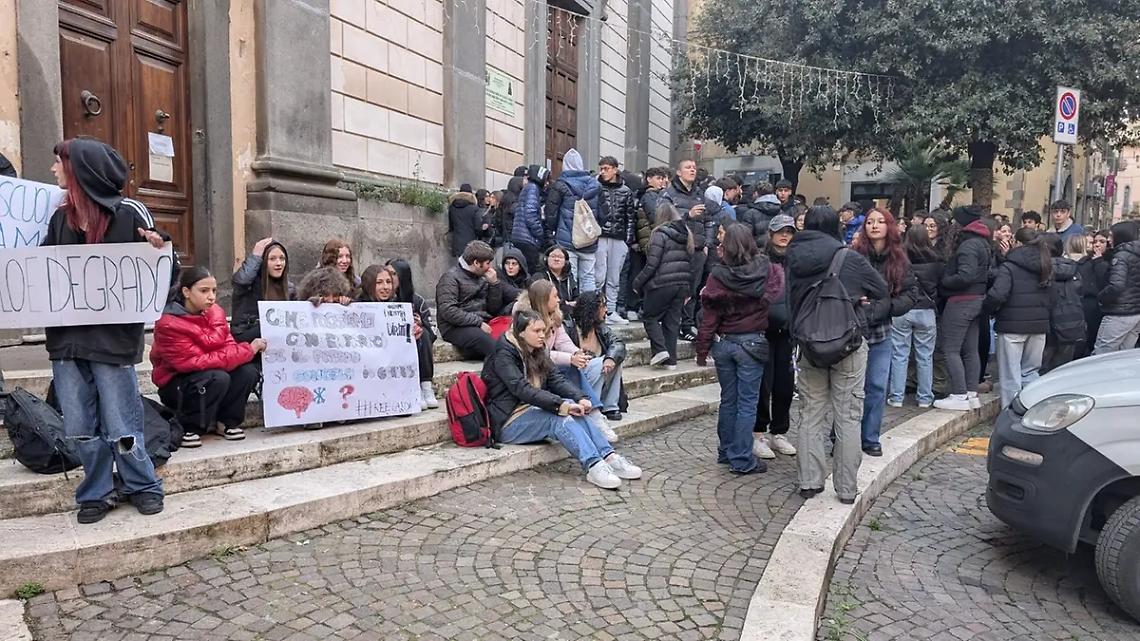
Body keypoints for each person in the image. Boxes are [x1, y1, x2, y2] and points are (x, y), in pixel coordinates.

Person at [42, 138, 169, 524]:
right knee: (79, 425)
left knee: (122, 423)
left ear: (80, 169)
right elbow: (40, 271)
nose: (53, 170)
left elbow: (166, 269)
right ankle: (96, 491)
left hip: (112, 343)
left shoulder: (129, 213)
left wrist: (160, 248)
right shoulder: (58, 219)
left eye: (59, 163)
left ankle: (142, 485)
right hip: (67, 341)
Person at [786, 206, 888, 504]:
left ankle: (809, 482)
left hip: (809, 345)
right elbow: (882, 291)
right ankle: (845, 489)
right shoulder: (850, 258)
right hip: (848, 345)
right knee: (848, 417)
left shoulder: (794, 256)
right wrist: (860, 304)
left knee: (811, 414)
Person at [482, 310, 642, 489]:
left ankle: (610, 457)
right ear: (520, 333)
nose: (542, 335)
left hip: (530, 410)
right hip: (508, 421)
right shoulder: (503, 353)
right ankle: (594, 465)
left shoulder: (537, 348)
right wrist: (560, 405)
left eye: (543, 330)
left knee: (575, 409)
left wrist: (580, 397)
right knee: (558, 417)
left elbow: (556, 378)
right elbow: (522, 390)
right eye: (536, 331)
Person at [696, 223, 781, 474]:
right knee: (747, 403)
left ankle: (726, 451)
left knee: (728, 401)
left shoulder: (717, 276)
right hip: (753, 342)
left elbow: (709, 318)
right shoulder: (766, 270)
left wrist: (702, 348)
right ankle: (742, 458)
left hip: (725, 343)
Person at [152, 266, 263, 445]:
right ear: (186, 292)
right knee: (218, 377)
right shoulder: (168, 323)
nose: (211, 296)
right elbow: (191, 362)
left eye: (213, 290)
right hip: (176, 383)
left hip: (207, 374)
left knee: (247, 371)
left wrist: (237, 354)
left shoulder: (215, 312)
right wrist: (247, 350)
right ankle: (189, 427)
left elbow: (229, 347)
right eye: (204, 291)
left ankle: (226, 422)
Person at [852, 208, 917, 456]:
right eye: (870, 222)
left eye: (880, 221)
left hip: (881, 331)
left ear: (889, 226)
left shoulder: (899, 259)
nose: (875, 226)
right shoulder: (854, 255)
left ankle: (870, 437)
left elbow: (910, 294)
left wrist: (887, 306)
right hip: (855, 331)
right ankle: (843, 435)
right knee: (850, 388)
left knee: (877, 386)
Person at [983, 228, 1053, 408]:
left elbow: (997, 295)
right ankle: (1031, 409)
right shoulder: (1046, 264)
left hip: (1011, 324)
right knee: (1030, 372)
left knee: (1010, 376)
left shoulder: (1009, 266)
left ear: (1018, 243)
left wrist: (988, 310)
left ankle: (1011, 415)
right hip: (1039, 325)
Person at [933, 206, 993, 411]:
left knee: (950, 349)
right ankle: (970, 393)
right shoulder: (983, 242)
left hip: (961, 301)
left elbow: (965, 275)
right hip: (977, 300)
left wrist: (946, 280)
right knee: (970, 350)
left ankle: (958, 394)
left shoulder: (968, 245)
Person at [753, 214, 797, 459]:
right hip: (764, 329)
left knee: (785, 385)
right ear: (771, 234)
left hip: (789, 332)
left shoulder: (797, 261)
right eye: (781, 231)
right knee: (763, 385)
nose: (784, 236)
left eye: (789, 232)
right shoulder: (761, 261)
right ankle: (758, 432)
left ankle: (779, 432)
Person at [634, 202, 695, 370]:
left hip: (662, 283)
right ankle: (671, 361)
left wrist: (637, 283)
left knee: (650, 317)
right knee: (672, 322)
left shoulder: (659, 234)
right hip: (681, 284)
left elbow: (652, 264)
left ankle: (660, 350)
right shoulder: (686, 233)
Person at [889, 224, 942, 409]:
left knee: (899, 355)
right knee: (925, 356)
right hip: (926, 310)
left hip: (904, 309)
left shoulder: (900, 260)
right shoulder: (936, 260)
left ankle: (896, 397)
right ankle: (925, 397)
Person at [661, 159, 709, 340]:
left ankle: (687, 325)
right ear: (679, 172)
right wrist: (687, 216)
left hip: (697, 249)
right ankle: (671, 324)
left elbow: (710, 220)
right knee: (675, 288)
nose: (692, 170)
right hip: (677, 248)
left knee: (693, 289)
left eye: (694, 168)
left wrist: (707, 243)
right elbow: (662, 219)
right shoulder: (669, 194)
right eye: (688, 167)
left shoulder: (700, 194)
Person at [436, 240, 503, 360]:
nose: (490, 267)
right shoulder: (450, 278)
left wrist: (494, 284)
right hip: (455, 327)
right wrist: (478, 322)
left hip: (482, 322)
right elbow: (448, 310)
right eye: (488, 263)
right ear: (477, 263)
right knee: (486, 342)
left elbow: (493, 308)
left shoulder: (483, 277)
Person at [545, 148, 600, 292]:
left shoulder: (560, 185)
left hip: (566, 240)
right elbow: (604, 214)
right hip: (589, 239)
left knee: (570, 277)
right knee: (589, 278)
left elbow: (551, 213)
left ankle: (571, 311)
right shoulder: (595, 185)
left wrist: (552, 231)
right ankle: (589, 312)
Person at [568, 291, 628, 423]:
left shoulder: (601, 328)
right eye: (603, 306)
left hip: (598, 376)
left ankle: (610, 406)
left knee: (614, 359)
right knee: (598, 363)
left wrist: (610, 358)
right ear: (592, 309)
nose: (606, 310)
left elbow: (618, 344)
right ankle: (591, 406)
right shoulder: (569, 327)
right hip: (577, 379)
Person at [595, 156, 636, 324]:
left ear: (615, 169)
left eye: (606, 168)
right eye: (601, 168)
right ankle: (596, 309)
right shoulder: (596, 187)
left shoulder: (625, 191)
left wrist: (626, 240)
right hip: (600, 236)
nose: (603, 172)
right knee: (598, 275)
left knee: (614, 277)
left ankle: (610, 311)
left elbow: (630, 217)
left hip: (618, 238)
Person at [625, 166, 669, 321]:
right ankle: (633, 306)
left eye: (663, 178)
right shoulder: (650, 196)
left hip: (646, 241)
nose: (662, 182)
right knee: (641, 274)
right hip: (646, 241)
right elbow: (656, 217)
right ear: (649, 179)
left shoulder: (653, 195)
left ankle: (636, 306)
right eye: (658, 178)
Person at [230, 237, 294, 344]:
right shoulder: (250, 284)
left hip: (274, 339)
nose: (278, 263)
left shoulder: (289, 287)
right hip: (247, 334)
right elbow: (241, 280)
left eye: (282, 258)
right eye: (272, 259)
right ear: (263, 262)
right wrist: (255, 257)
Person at [1041, 234, 1085, 373]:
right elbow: (1080, 290)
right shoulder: (1074, 268)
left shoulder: (1042, 270)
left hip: (1047, 322)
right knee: (1063, 369)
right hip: (1071, 320)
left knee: (1043, 366)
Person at [1095, 221, 1140, 354]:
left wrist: (1101, 297)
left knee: (1101, 355)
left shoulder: (1121, 257)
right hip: (1136, 312)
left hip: (1119, 312)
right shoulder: (1135, 254)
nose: (1109, 240)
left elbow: (1116, 285)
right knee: (1123, 355)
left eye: (1111, 236)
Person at [512, 165, 550, 272]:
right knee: (531, 271)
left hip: (520, 236)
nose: (547, 183)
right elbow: (530, 214)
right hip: (528, 239)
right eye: (546, 180)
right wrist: (540, 233)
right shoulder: (533, 189)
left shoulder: (528, 188)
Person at [531, 246, 579, 315]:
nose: (556, 259)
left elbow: (577, 298)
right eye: (553, 256)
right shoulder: (539, 277)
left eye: (560, 257)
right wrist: (566, 303)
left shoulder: (569, 277)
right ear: (546, 259)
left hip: (569, 315)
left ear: (566, 262)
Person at [737, 181, 781, 246]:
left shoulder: (750, 213)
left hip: (757, 251)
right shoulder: (781, 212)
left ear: (756, 193)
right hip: (777, 250)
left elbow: (745, 237)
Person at [447, 184, 483, 258]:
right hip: (471, 244)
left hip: (457, 243)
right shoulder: (475, 209)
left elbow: (451, 226)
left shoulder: (452, 207)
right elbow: (478, 228)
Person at [496, 246, 531, 315]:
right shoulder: (499, 276)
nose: (510, 267)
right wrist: (527, 296)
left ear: (520, 266)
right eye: (507, 263)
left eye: (514, 264)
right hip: (502, 314)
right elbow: (509, 292)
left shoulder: (526, 278)